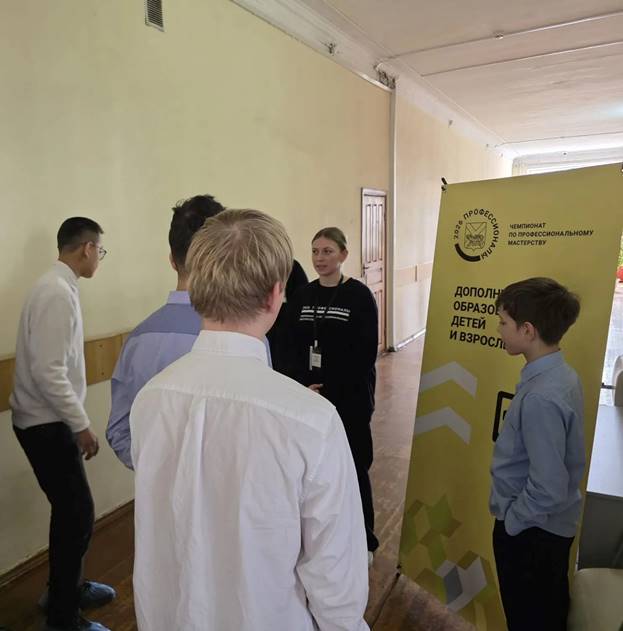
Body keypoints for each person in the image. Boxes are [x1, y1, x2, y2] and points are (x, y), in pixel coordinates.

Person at [130, 210, 369, 631]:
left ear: (196, 290)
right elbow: (336, 579)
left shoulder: (151, 400)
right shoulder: (310, 420)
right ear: (276, 295)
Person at [10, 218, 115, 631]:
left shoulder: (58, 286)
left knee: (71, 514)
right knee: (78, 515)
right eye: (99, 251)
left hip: (46, 421)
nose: (98, 259)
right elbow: (48, 371)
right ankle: (62, 618)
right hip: (46, 424)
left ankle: (64, 591)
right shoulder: (55, 291)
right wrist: (81, 424)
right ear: (87, 248)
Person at [491, 277, 585, 631]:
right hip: (544, 529)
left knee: (529, 619)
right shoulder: (561, 375)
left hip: (532, 533)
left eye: (503, 322)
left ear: (528, 330)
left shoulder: (541, 397)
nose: (499, 329)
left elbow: (547, 486)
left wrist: (512, 523)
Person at [106, 194, 225, 469]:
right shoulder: (246, 337)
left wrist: (160, 473)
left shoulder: (138, 339)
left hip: (155, 490)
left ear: (172, 259)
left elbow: (119, 431)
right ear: (223, 259)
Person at [286, 227, 379, 560]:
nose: (319, 258)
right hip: (309, 397)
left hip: (349, 399)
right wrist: (303, 384)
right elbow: (291, 347)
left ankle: (365, 540)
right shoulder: (302, 296)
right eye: (315, 251)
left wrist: (330, 391)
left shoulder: (359, 296)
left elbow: (365, 352)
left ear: (343, 255)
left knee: (354, 467)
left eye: (327, 251)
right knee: (315, 473)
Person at [266, 258, 308, 373]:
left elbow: (301, 298)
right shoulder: (258, 264)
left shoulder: (292, 266)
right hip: (263, 323)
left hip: (288, 326)